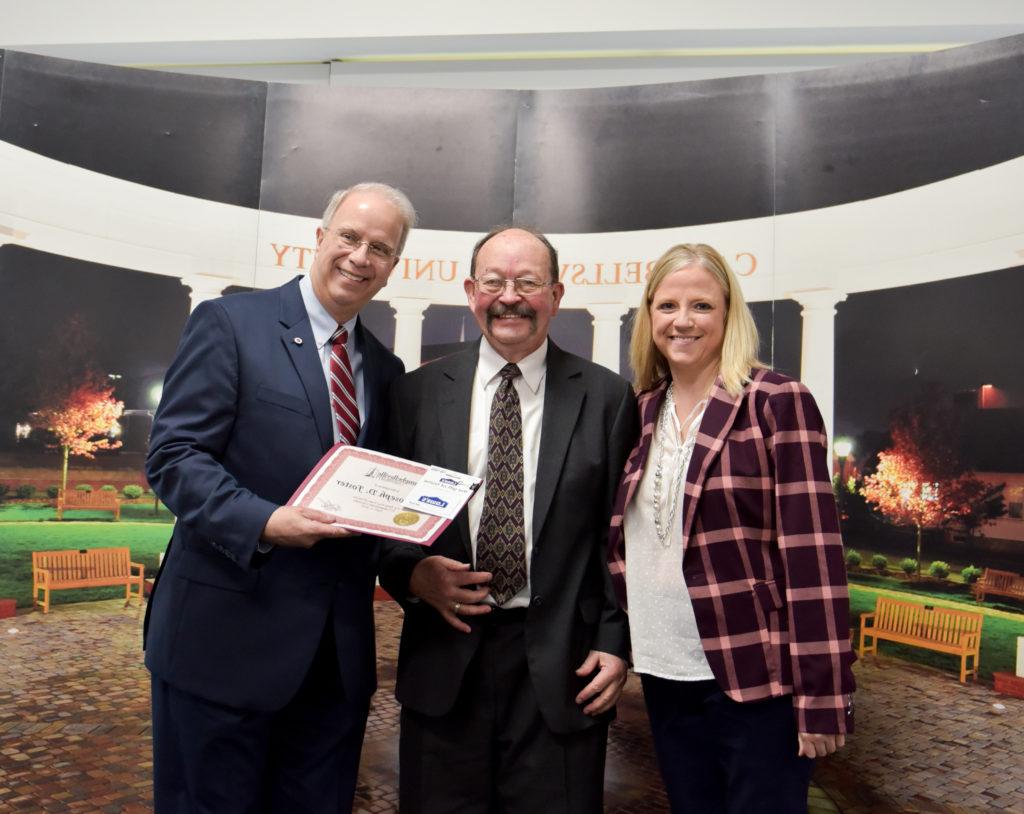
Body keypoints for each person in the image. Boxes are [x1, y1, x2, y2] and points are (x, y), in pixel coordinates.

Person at [143, 182, 415, 813]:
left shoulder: (386, 369)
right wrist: (265, 522)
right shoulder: (229, 323)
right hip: (222, 649)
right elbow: (174, 457)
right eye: (349, 236)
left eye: (380, 247)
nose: (360, 256)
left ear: (392, 267)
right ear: (319, 238)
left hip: (334, 669)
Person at [378, 226, 639, 813]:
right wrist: (412, 576)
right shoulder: (413, 395)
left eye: (527, 282)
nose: (509, 297)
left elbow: (619, 538)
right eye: (493, 281)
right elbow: (387, 526)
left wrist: (615, 642)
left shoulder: (607, 398)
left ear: (557, 293)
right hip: (445, 662)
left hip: (564, 672)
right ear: (471, 291)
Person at [606, 243, 856, 813]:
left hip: (756, 679)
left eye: (702, 305)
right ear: (649, 317)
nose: (683, 321)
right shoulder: (642, 410)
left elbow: (813, 555)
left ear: (728, 314)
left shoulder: (774, 400)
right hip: (665, 673)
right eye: (667, 305)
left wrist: (822, 693)